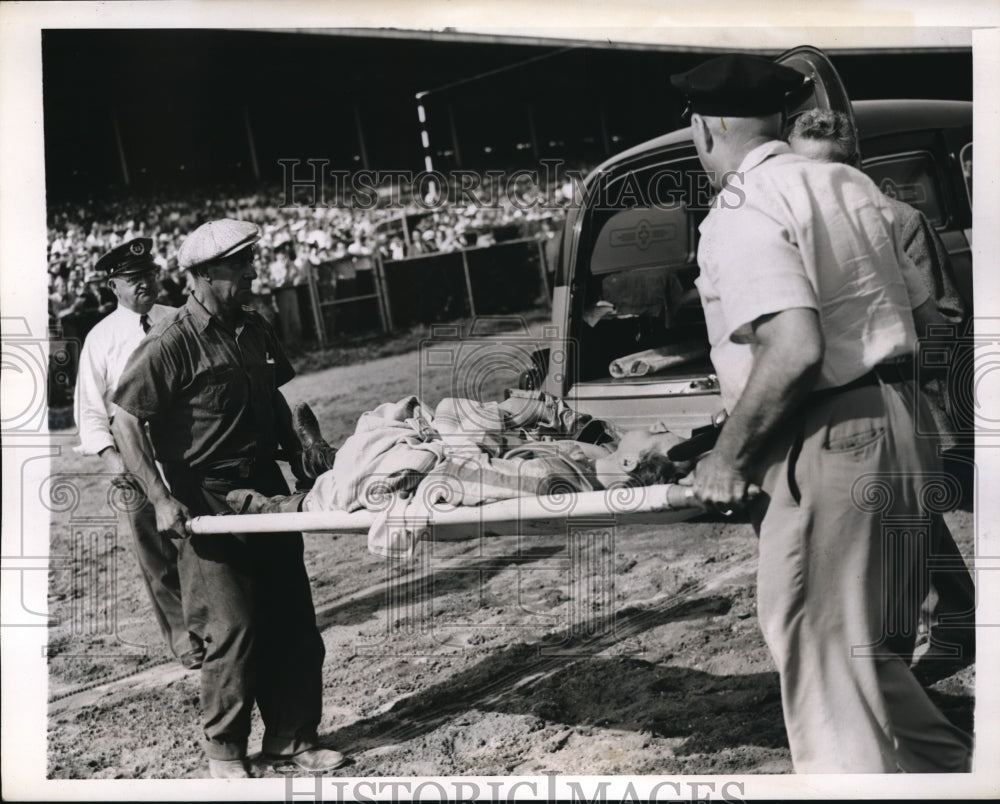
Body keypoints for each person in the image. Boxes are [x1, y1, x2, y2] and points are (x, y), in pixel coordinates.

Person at [671, 54, 972, 772]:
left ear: (709, 127)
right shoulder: (843, 182)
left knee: (824, 671)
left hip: (828, 435)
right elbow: (921, 318)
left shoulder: (744, 206)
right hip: (896, 417)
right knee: (872, 666)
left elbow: (795, 348)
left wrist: (729, 456)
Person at [111, 219, 345, 779]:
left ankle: (291, 740)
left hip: (266, 490)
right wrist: (162, 500)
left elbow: (278, 400)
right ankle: (226, 754)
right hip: (207, 503)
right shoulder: (171, 342)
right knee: (234, 631)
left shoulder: (255, 329)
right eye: (240, 264)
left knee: (293, 624)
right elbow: (124, 420)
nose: (252, 272)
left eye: (250, 261)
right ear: (204, 275)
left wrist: (302, 452)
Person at [788, 109, 976, 684]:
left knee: (898, 528)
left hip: (903, 395)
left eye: (824, 169)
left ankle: (922, 645)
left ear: (852, 167)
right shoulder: (800, 229)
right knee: (904, 524)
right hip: (848, 405)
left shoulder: (898, 219)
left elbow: (944, 317)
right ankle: (956, 620)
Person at [74, 238, 203, 669]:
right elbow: (92, 412)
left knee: (200, 537)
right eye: (133, 280)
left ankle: (215, 623)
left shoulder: (179, 320)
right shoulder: (101, 339)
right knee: (156, 550)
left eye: (149, 275)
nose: (145, 284)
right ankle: (185, 637)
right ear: (114, 286)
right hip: (135, 454)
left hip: (185, 447)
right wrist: (115, 463)